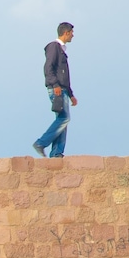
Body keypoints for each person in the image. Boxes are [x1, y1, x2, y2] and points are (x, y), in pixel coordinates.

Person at [33, 22, 77, 158]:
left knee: (62, 120)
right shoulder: (54, 47)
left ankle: (57, 153)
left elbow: (64, 75)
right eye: (71, 33)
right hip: (57, 89)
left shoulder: (62, 50)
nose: (73, 36)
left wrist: (71, 94)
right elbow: (48, 68)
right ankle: (41, 143)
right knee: (64, 118)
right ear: (66, 32)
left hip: (62, 89)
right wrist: (55, 85)